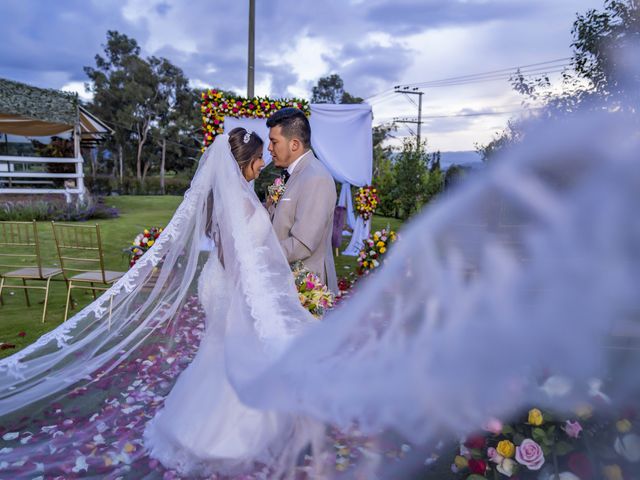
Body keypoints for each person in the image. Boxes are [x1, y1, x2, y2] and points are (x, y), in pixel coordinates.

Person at [267, 107, 338, 293]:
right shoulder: (291, 174)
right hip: (282, 281)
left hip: (302, 289)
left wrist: (260, 254)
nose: (269, 148)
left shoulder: (316, 177)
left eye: (274, 142)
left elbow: (302, 244)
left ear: (294, 145)